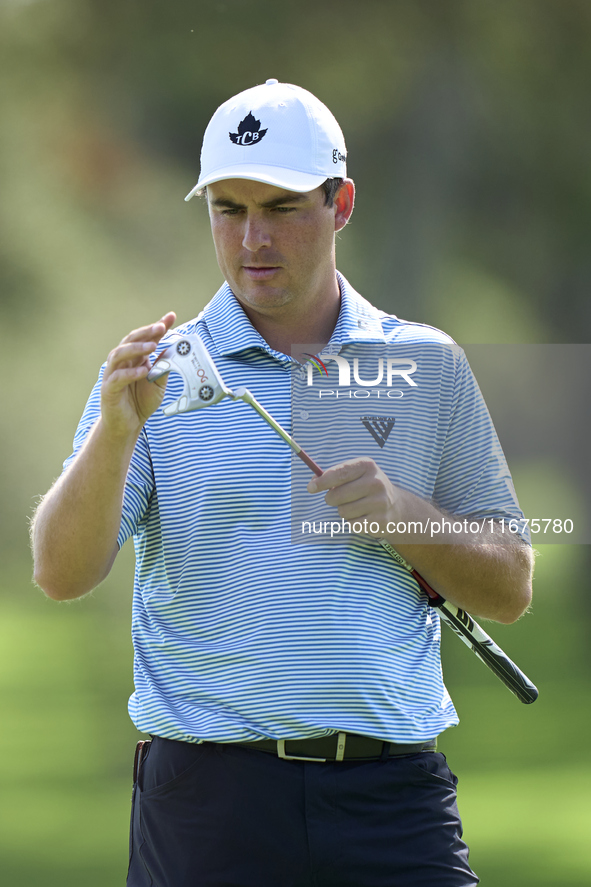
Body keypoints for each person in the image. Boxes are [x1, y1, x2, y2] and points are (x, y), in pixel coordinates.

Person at [32, 78, 533, 887]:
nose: (252, 238)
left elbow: (509, 584)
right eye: (228, 209)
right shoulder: (157, 373)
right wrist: (114, 437)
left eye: (282, 206)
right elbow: (60, 571)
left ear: (340, 206)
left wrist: (403, 514)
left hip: (389, 801)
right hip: (206, 805)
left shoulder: (422, 363)